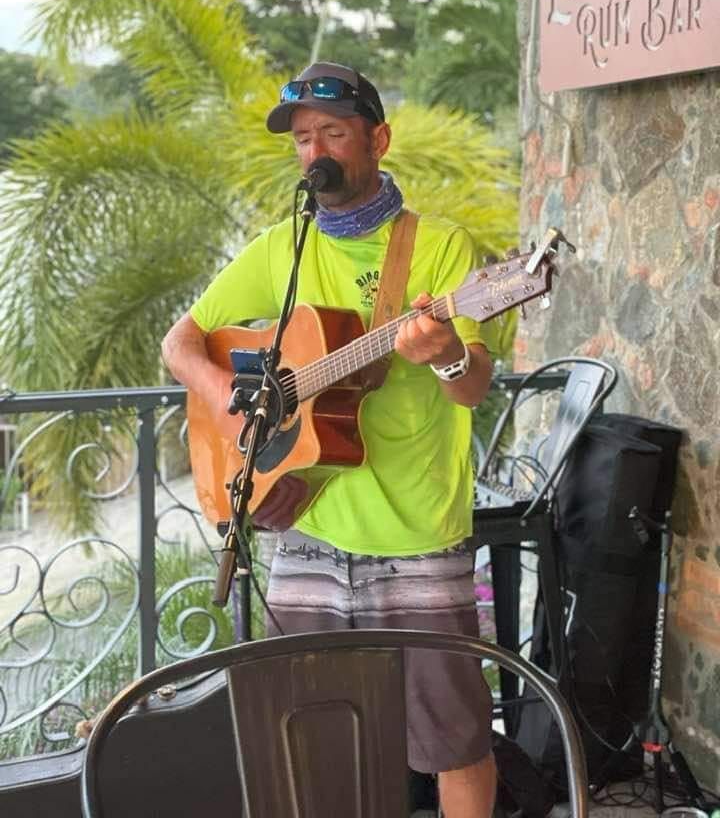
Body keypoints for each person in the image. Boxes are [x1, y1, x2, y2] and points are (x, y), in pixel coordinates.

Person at [161, 60, 499, 818]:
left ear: (378, 139)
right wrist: (231, 406)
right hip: (307, 528)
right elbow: (179, 343)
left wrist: (443, 351)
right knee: (307, 734)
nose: (314, 152)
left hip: (416, 531)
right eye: (302, 139)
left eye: (333, 134)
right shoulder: (280, 248)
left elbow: (472, 385)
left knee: (453, 739)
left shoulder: (439, 246)